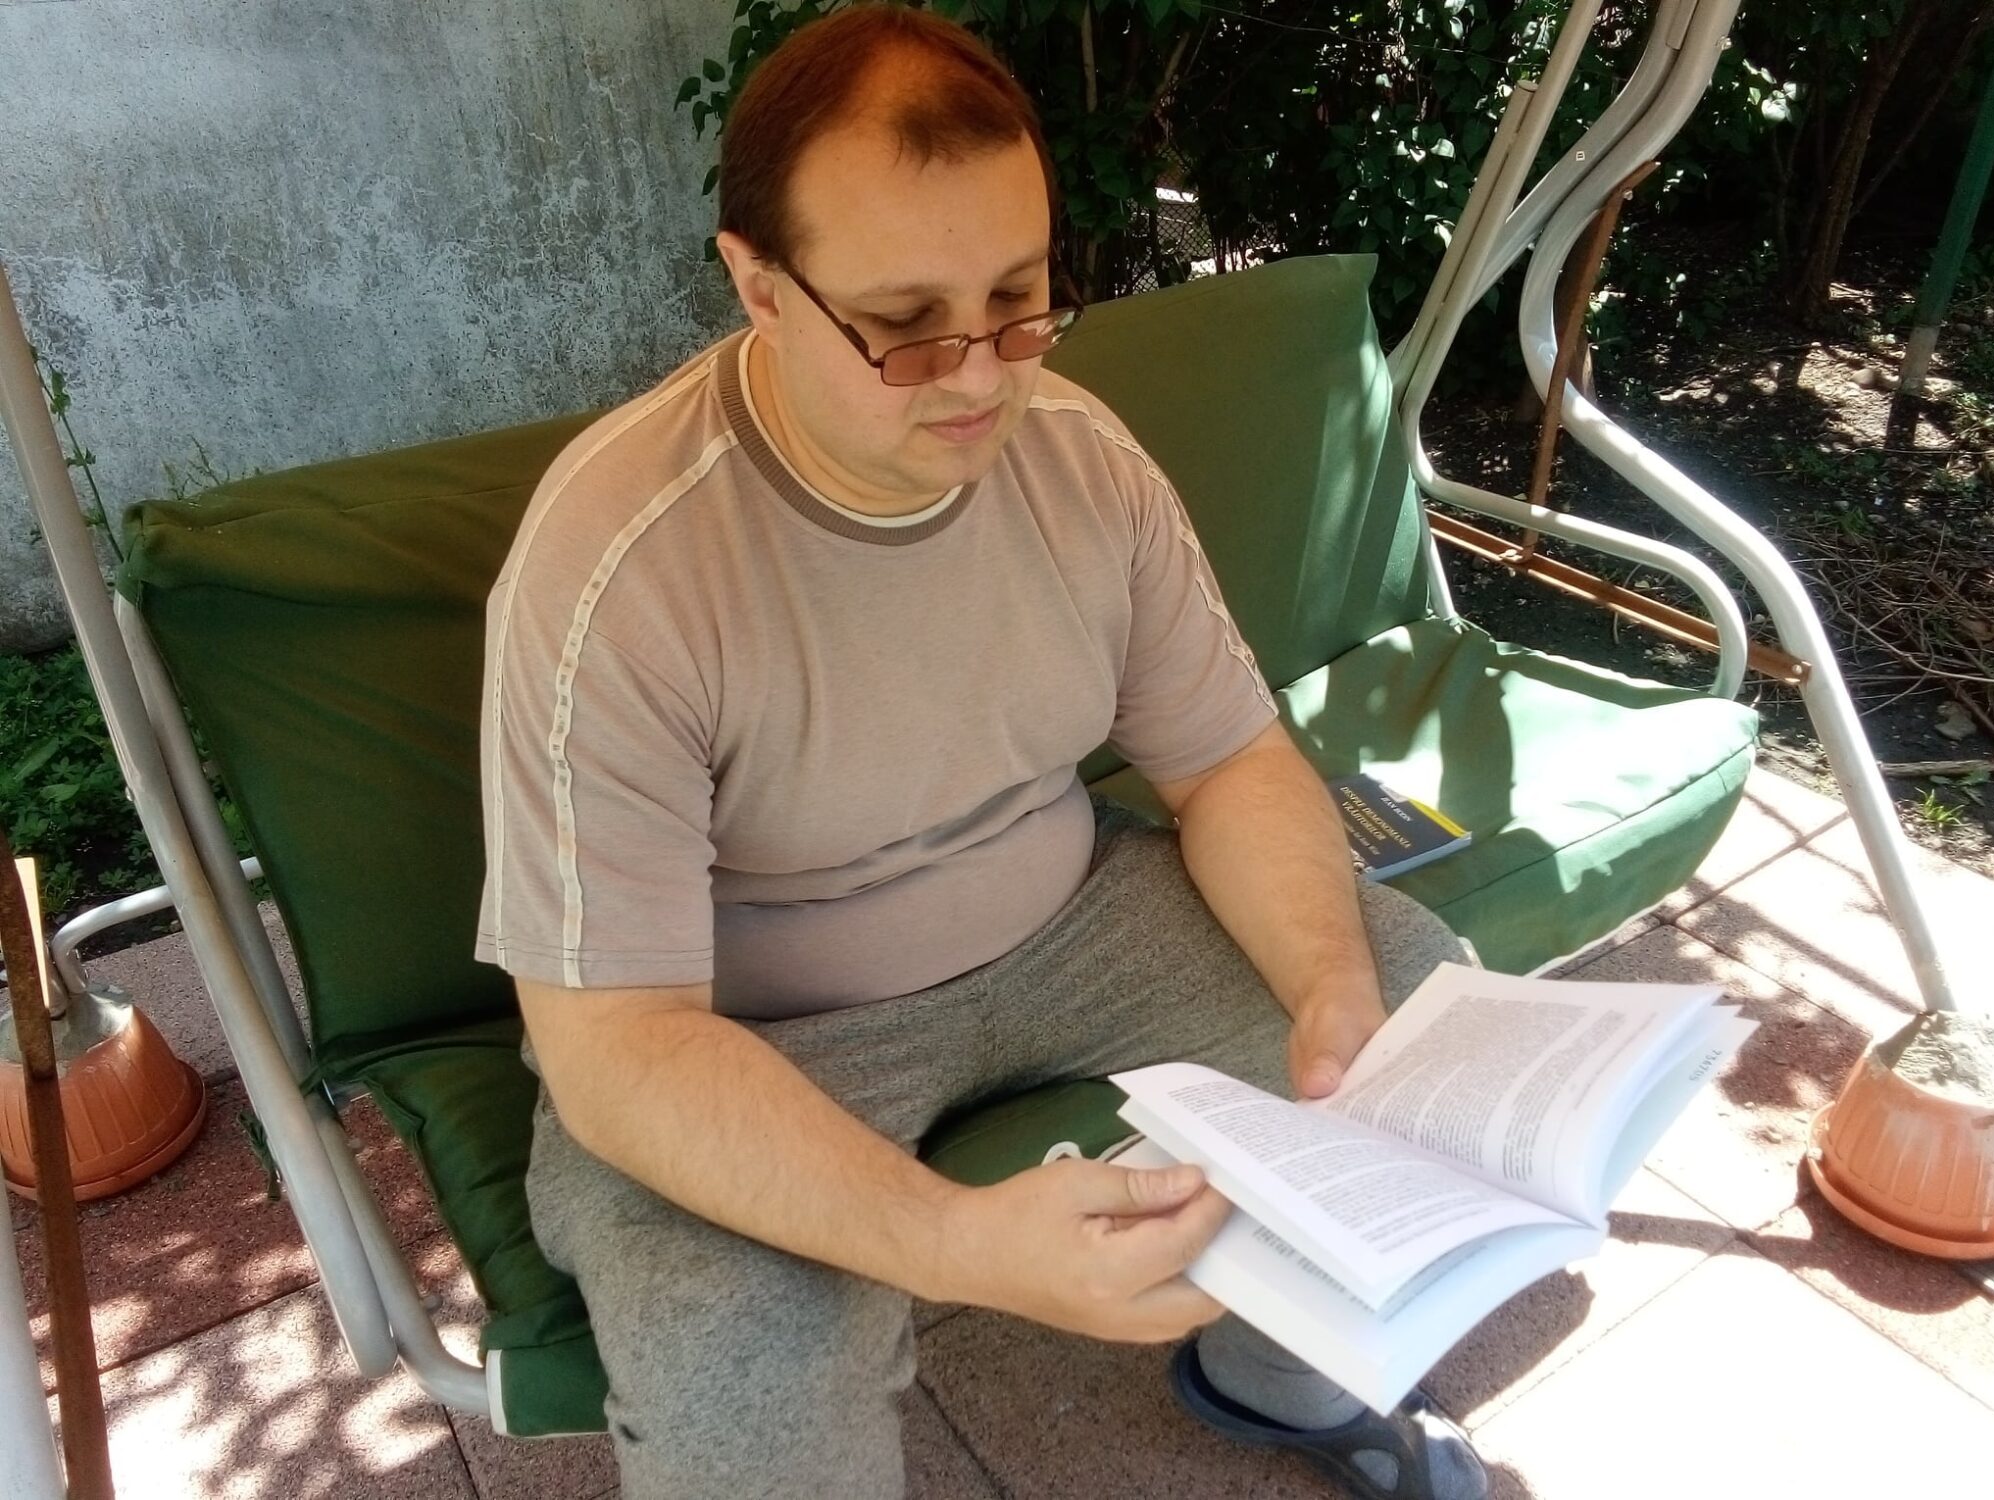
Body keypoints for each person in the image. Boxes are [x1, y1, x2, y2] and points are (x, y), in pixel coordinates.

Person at [475, 6, 1488, 1497]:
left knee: (1411, 1019)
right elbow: (618, 1047)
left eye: (1017, 298)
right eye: (904, 324)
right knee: (740, 1371)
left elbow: (1228, 764)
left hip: (1071, 919)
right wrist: (957, 1242)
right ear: (758, 285)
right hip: (752, 1025)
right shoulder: (617, 571)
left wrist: (1332, 991)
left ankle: (1285, 1380)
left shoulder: (1077, 456)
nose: (979, 378)